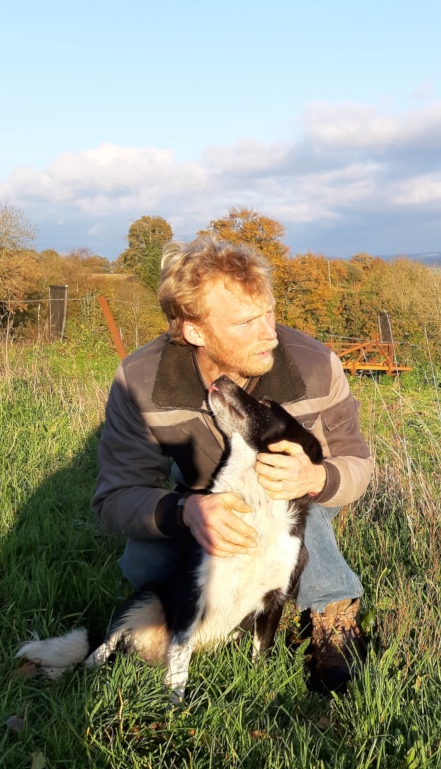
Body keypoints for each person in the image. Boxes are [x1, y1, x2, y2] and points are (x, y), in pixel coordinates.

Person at [91, 235, 373, 693]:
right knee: (145, 561)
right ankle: (218, 616)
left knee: (295, 513)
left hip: (304, 497)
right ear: (194, 331)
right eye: (246, 322)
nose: (270, 333)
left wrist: (318, 477)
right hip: (202, 492)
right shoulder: (139, 383)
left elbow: (358, 460)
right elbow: (114, 498)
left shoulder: (317, 364)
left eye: (269, 312)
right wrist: (186, 511)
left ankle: (331, 613)